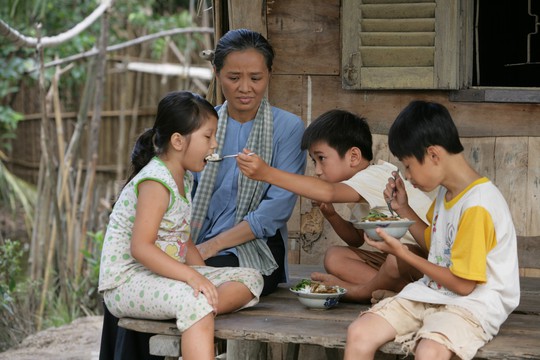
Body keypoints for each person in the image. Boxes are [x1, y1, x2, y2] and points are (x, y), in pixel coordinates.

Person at [344, 100, 520, 360]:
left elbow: (463, 285)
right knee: (360, 332)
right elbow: (435, 244)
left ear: (434, 155)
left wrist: (402, 253)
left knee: (430, 350)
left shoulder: (478, 204)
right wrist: (403, 209)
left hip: (474, 305)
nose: (408, 175)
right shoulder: (447, 194)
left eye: (408, 165)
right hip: (433, 293)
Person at [98, 91, 263, 360]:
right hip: (126, 283)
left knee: (251, 279)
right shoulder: (155, 181)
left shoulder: (182, 178)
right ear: (177, 141)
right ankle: (197, 311)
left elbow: (182, 240)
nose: (214, 145)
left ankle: (198, 310)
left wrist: (203, 275)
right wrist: (192, 278)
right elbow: (140, 247)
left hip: (159, 278)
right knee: (195, 299)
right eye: (208, 137)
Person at [237, 109, 433, 303]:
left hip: (428, 261)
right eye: (314, 161)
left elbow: (328, 191)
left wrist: (266, 173)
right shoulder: (360, 191)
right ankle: (399, 293)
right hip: (404, 267)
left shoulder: (375, 175)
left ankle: (358, 292)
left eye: (321, 159)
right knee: (335, 256)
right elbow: (356, 239)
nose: (318, 171)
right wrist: (332, 216)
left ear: (353, 157)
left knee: (396, 258)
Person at [190, 28, 306, 296]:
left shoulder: (287, 127)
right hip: (196, 238)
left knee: (188, 283)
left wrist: (209, 247)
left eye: (256, 78)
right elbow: (184, 192)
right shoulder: (202, 127)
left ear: (269, 75)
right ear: (217, 75)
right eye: (233, 77)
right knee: (135, 280)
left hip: (259, 246)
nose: (245, 88)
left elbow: (274, 211)